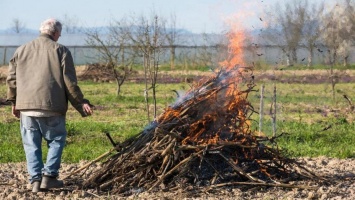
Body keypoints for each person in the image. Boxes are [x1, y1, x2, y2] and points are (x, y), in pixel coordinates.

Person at [6, 18, 93, 193]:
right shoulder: (61, 50)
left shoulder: (21, 50)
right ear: (54, 33)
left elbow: (12, 80)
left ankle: (35, 181)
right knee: (56, 140)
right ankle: (50, 177)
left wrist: (15, 103)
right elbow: (69, 82)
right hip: (52, 106)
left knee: (31, 145)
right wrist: (81, 103)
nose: (59, 37)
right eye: (59, 34)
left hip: (27, 108)